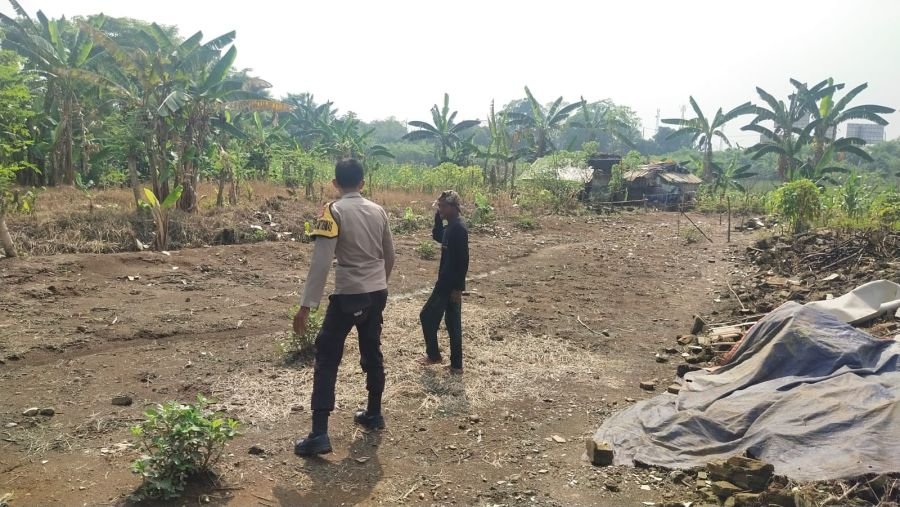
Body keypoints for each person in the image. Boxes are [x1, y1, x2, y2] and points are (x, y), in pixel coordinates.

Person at [292, 159, 395, 457]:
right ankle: (374, 413)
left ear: (335, 184)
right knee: (372, 349)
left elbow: (322, 262)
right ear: (363, 183)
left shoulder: (332, 211)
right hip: (376, 292)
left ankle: (319, 433)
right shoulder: (379, 211)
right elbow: (390, 255)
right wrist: (378, 282)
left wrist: (306, 306)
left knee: (327, 355)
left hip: (348, 293)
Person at [418, 190, 469, 373]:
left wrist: (457, 289)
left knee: (426, 316)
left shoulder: (459, 229)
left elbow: (463, 261)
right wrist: (438, 218)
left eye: (443, 206)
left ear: (454, 207)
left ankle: (434, 355)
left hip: (448, 285)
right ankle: (456, 366)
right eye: (438, 206)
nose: (440, 209)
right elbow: (439, 237)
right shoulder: (451, 226)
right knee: (452, 323)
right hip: (448, 282)